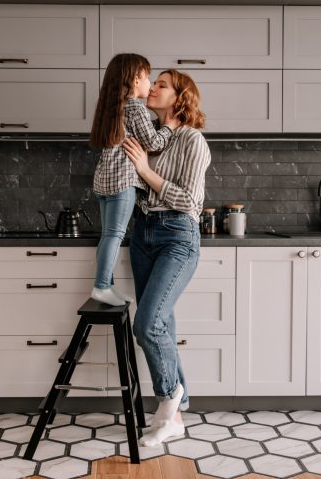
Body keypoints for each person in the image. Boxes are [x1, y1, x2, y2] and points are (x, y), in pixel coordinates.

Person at [120, 69, 211, 447]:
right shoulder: (155, 140)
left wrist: (143, 169)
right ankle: (177, 409)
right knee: (163, 326)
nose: (152, 88)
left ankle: (168, 398)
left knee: (147, 323)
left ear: (179, 97)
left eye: (161, 85)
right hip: (142, 234)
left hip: (177, 235)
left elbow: (190, 201)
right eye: (152, 82)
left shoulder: (193, 140)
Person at [90, 54, 179, 306]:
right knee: (115, 235)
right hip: (122, 181)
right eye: (147, 77)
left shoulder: (112, 107)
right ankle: (102, 286)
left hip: (104, 180)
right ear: (135, 78)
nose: (150, 83)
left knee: (107, 235)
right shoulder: (135, 106)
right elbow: (153, 142)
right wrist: (170, 126)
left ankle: (106, 285)